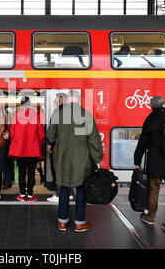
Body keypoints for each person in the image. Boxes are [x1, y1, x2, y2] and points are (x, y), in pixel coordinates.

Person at [47, 91, 104, 232]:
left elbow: (51, 136)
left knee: (64, 188)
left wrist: (53, 143)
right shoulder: (86, 115)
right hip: (82, 158)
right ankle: (79, 223)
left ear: (67, 101)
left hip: (62, 157)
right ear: (79, 101)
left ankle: (62, 222)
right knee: (80, 189)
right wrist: (97, 158)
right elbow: (94, 139)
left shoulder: (57, 115)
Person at [133, 96, 165, 234]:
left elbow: (142, 143)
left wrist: (137, 161)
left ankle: (150, 216)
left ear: (152, 106)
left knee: (153, 189)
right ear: (164, 104)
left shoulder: (150, 120)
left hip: (156, 163)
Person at [9, 96, 45, 202]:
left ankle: (21, 195)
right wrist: (38, 144)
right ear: (30, 104)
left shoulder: (16, 116)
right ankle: (30, 195)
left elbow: (12, 134)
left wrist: (17, 143)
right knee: (31, 173)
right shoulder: (36, 116)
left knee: (21, 172)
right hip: (33, 150)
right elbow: (41, 134)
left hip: (20, 150)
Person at [47, 93, 67, 203]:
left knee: (58, 170)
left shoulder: (57, 112)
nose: (55, 101)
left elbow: (52, 131)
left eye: (56, 99)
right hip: (70, 147)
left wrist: (50, 143)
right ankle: (68, 193)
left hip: (58, 147)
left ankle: (59, 194)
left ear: (60, 100)